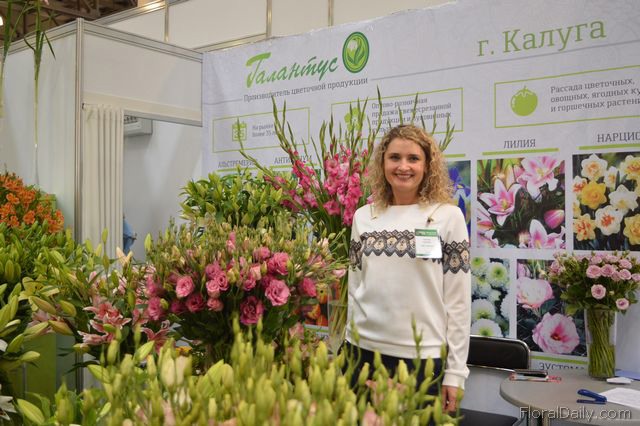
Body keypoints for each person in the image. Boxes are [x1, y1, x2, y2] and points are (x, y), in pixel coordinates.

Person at [345, 124, 471, 413]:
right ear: (382, 163)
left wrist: (455, 373)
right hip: (361, 353)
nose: (403, 166)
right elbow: (354, 288)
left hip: (422, 359)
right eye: (394, 157)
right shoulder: (363, 217)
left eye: (413, 158)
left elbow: (458, 303)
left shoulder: (448, 217)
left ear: (427, 166)